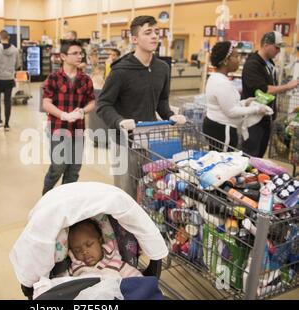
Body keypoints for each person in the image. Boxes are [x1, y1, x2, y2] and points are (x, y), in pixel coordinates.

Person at [96, 15, 185, 199]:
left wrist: (170, 115)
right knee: (126, 193)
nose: (154, 36)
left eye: (156, 32)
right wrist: (119, 121)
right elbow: (103, 104)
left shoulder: (162, 69)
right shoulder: (120, 71)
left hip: (151, 139)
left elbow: (161, 101)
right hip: (125, 142)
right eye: (148, 32)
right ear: (134, 39)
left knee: (151, 190)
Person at [41, 40, 95, 195]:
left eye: (81, 53)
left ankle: (65, 199)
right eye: (75, 53)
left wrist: (82, 111)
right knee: (58, 166)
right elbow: (46, 103)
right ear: (63, 56)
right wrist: (64, 115)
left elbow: (92, 102)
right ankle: (46, 196)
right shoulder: (53, 78)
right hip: (58, 129)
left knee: (74, 169)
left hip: (78, 130)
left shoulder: (85, 79)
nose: (80, 56)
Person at [203, 41, 272, 151]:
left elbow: (228, 104)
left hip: (216, 126)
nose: (238, 60)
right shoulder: (221, 83)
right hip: (223, 130)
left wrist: (245, 102)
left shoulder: (216, 78)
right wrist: (256, 109)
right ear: (226, 61)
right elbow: (231, 111)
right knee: (224, 163)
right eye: (235, 56)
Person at [241, 31, 299, 157]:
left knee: (260, 154)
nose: (278, 50)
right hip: (253, 119)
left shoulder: (270, 64)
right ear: (266, 44)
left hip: (266, 117)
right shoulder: (253, 64)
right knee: (250, 155)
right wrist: (287, 86)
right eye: (276, 47)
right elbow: (264, 90)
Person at [68, 219, 142, 278]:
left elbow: (137, 280)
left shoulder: (114, 261)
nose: (84, 252)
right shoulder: (75, 268)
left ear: (100, 241)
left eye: (89, 244)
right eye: (77, 250)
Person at [0, 30, 19, 131]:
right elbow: (18, 64)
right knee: (7, 101)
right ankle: (7, 124)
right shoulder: (15, 50)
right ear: (9, 37)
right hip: (9, 79)